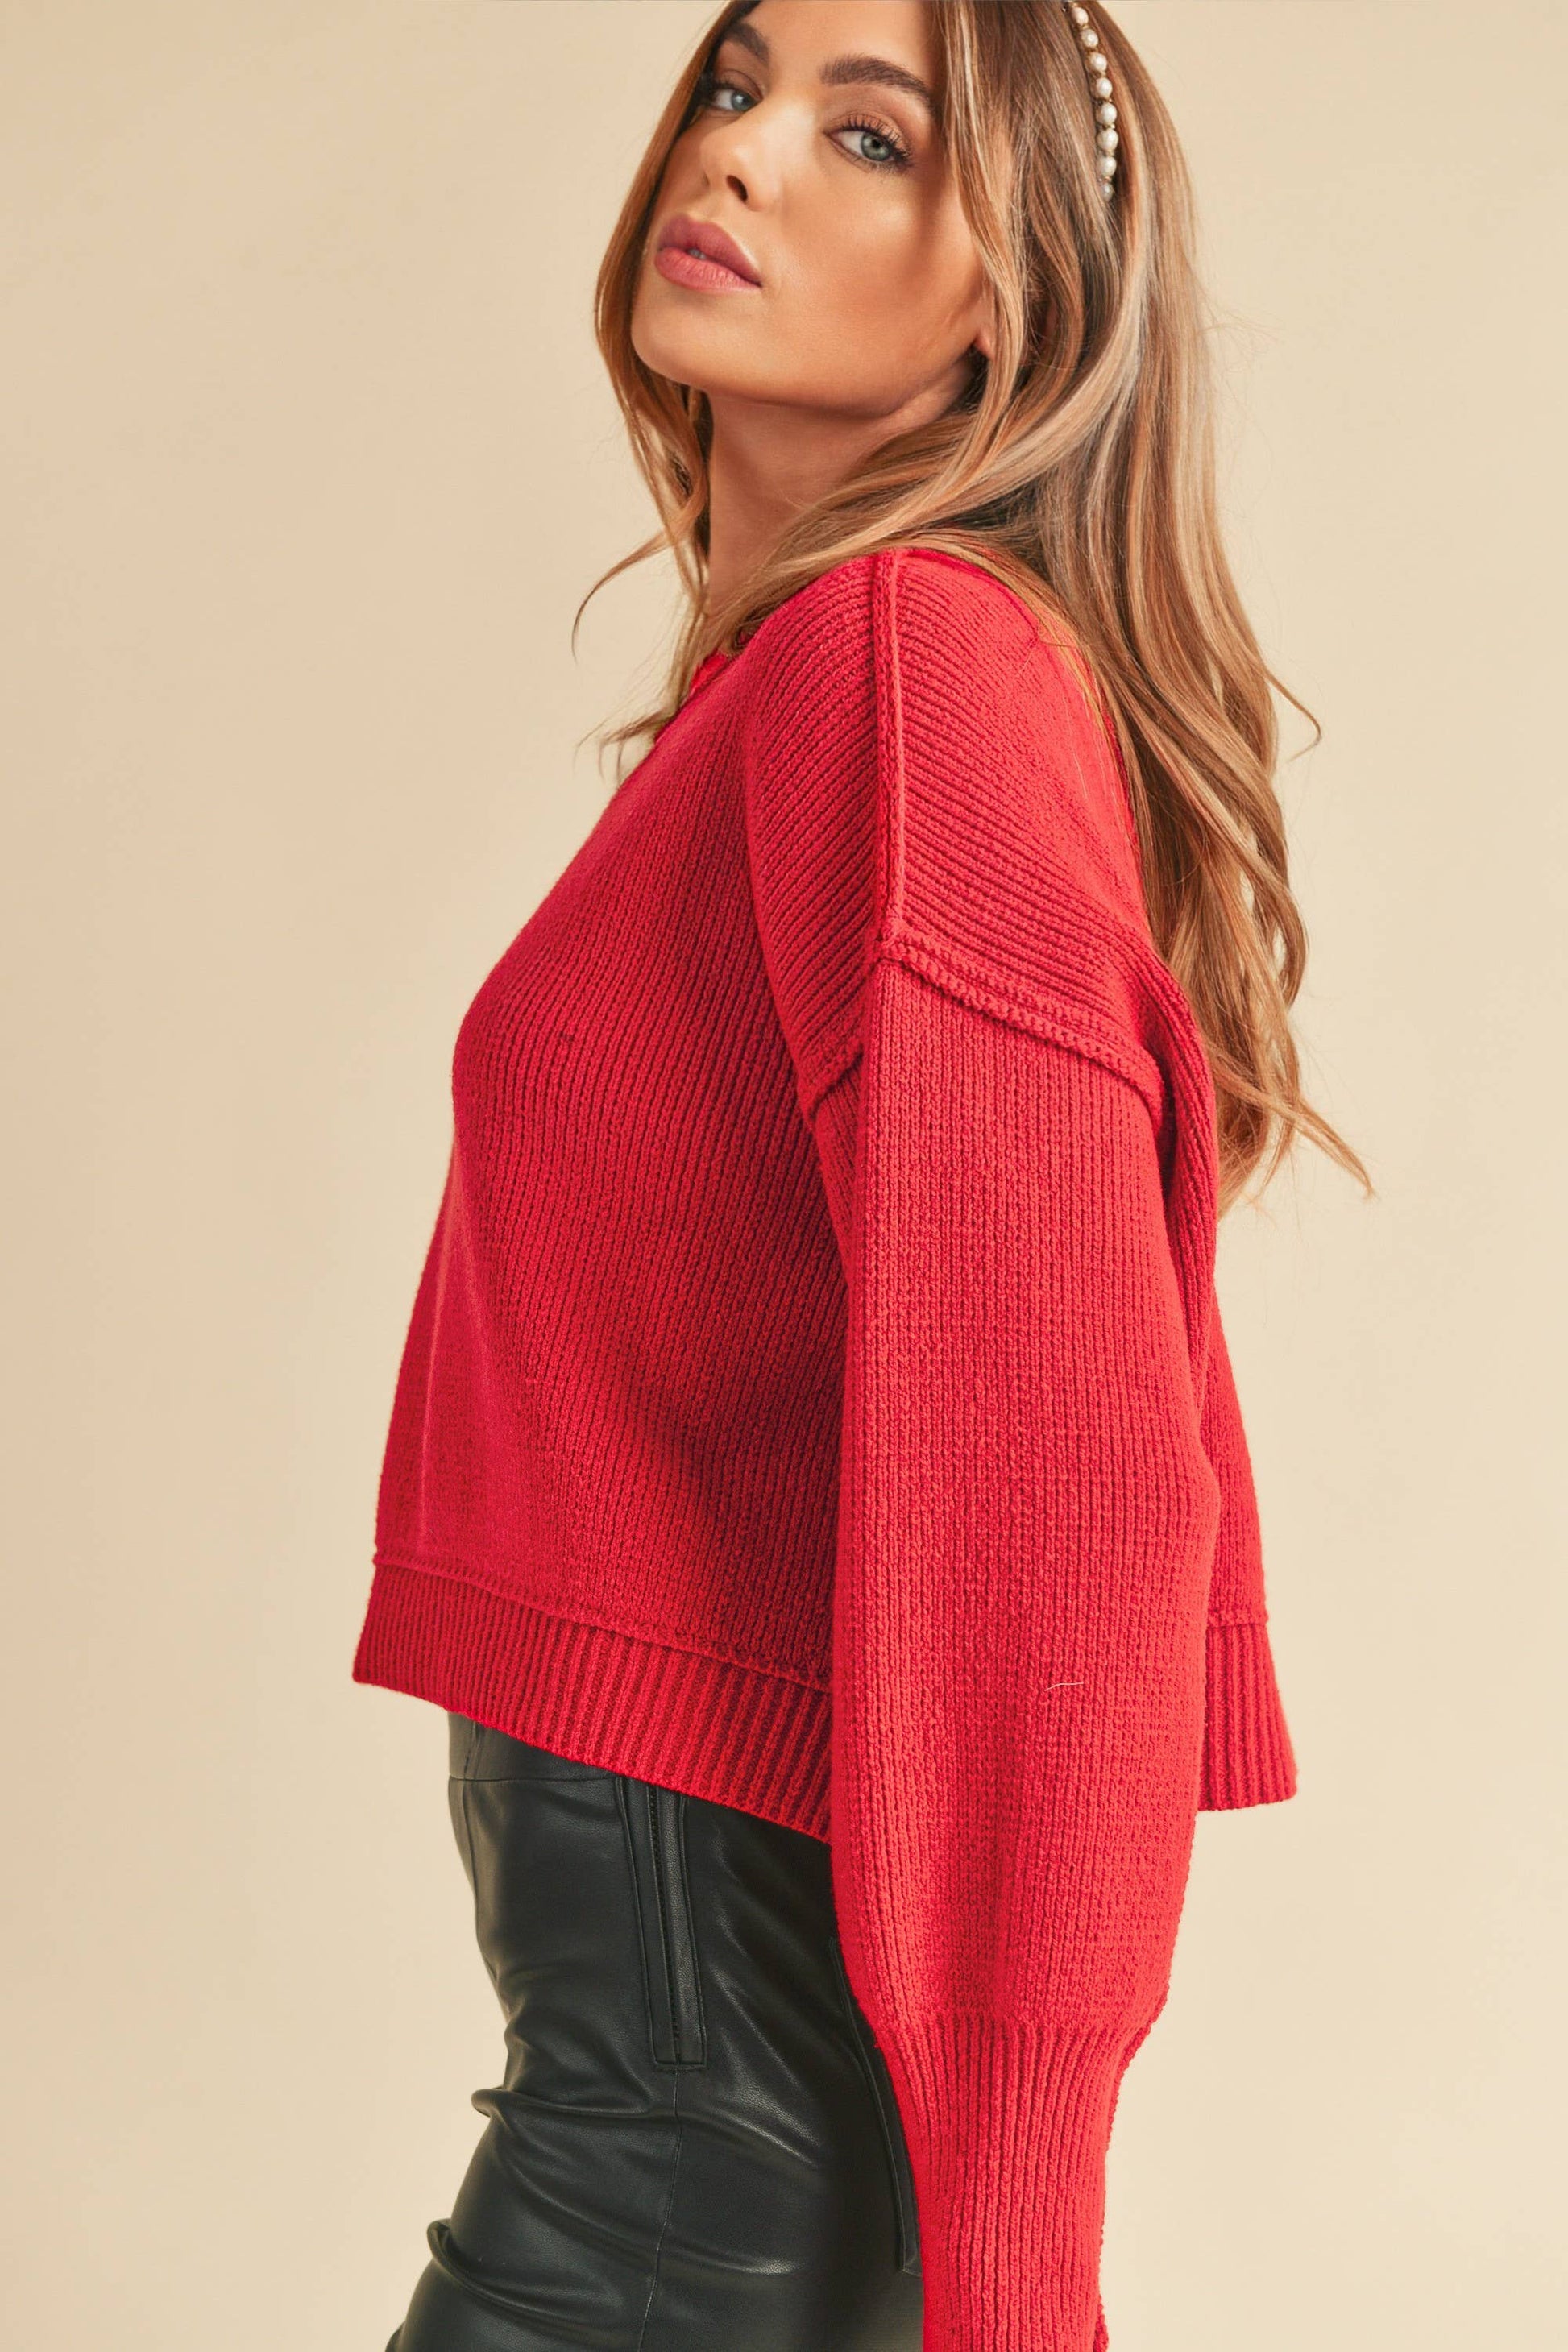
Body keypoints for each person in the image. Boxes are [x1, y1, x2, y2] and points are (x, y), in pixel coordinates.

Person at [351, 4, 1371, 2346]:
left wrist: (1017, 2291)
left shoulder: (907, 668)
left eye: (870, 136)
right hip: (673, 2145)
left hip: (685, 2198)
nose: (738, 155)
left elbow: (1055, 1508)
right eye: (732, 85)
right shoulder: (799, 692)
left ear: (1014, 298)